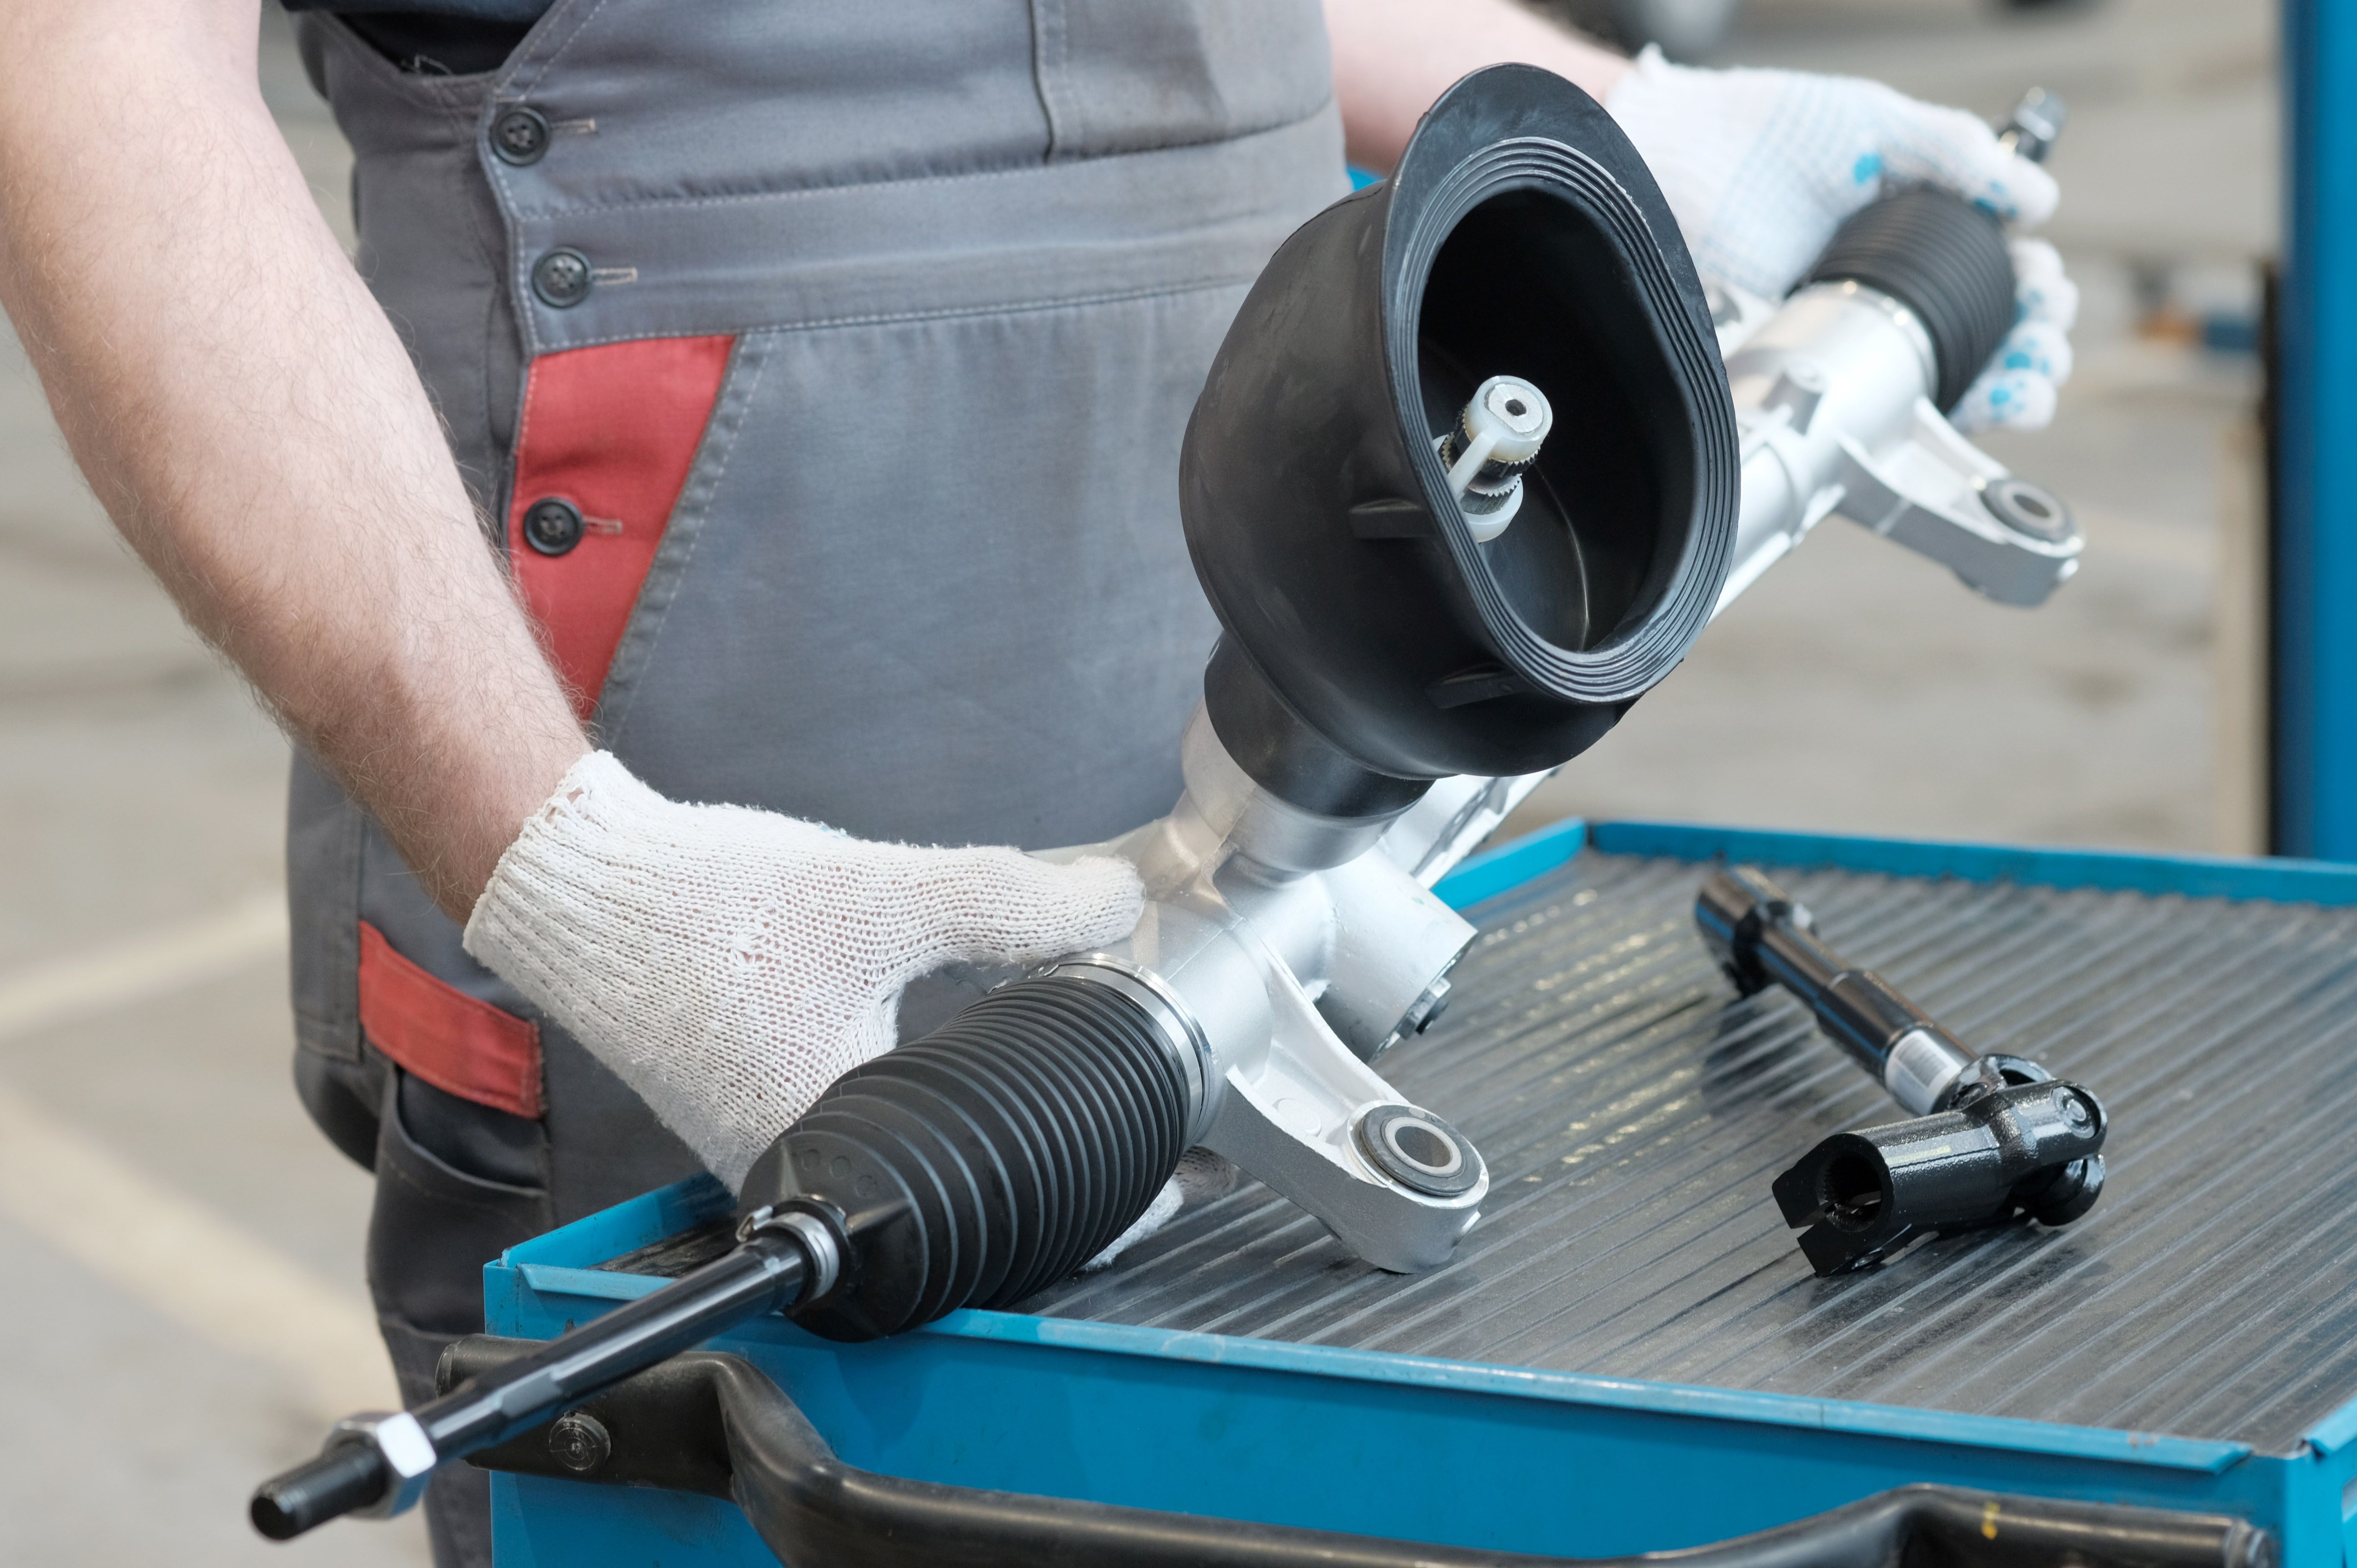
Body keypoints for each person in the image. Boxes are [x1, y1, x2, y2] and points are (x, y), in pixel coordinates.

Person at [0, 1, 2075, 1561]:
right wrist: (573, 878)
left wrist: (1625, 130)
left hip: (1298, 773)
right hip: (700, 869)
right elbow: (86, 73)